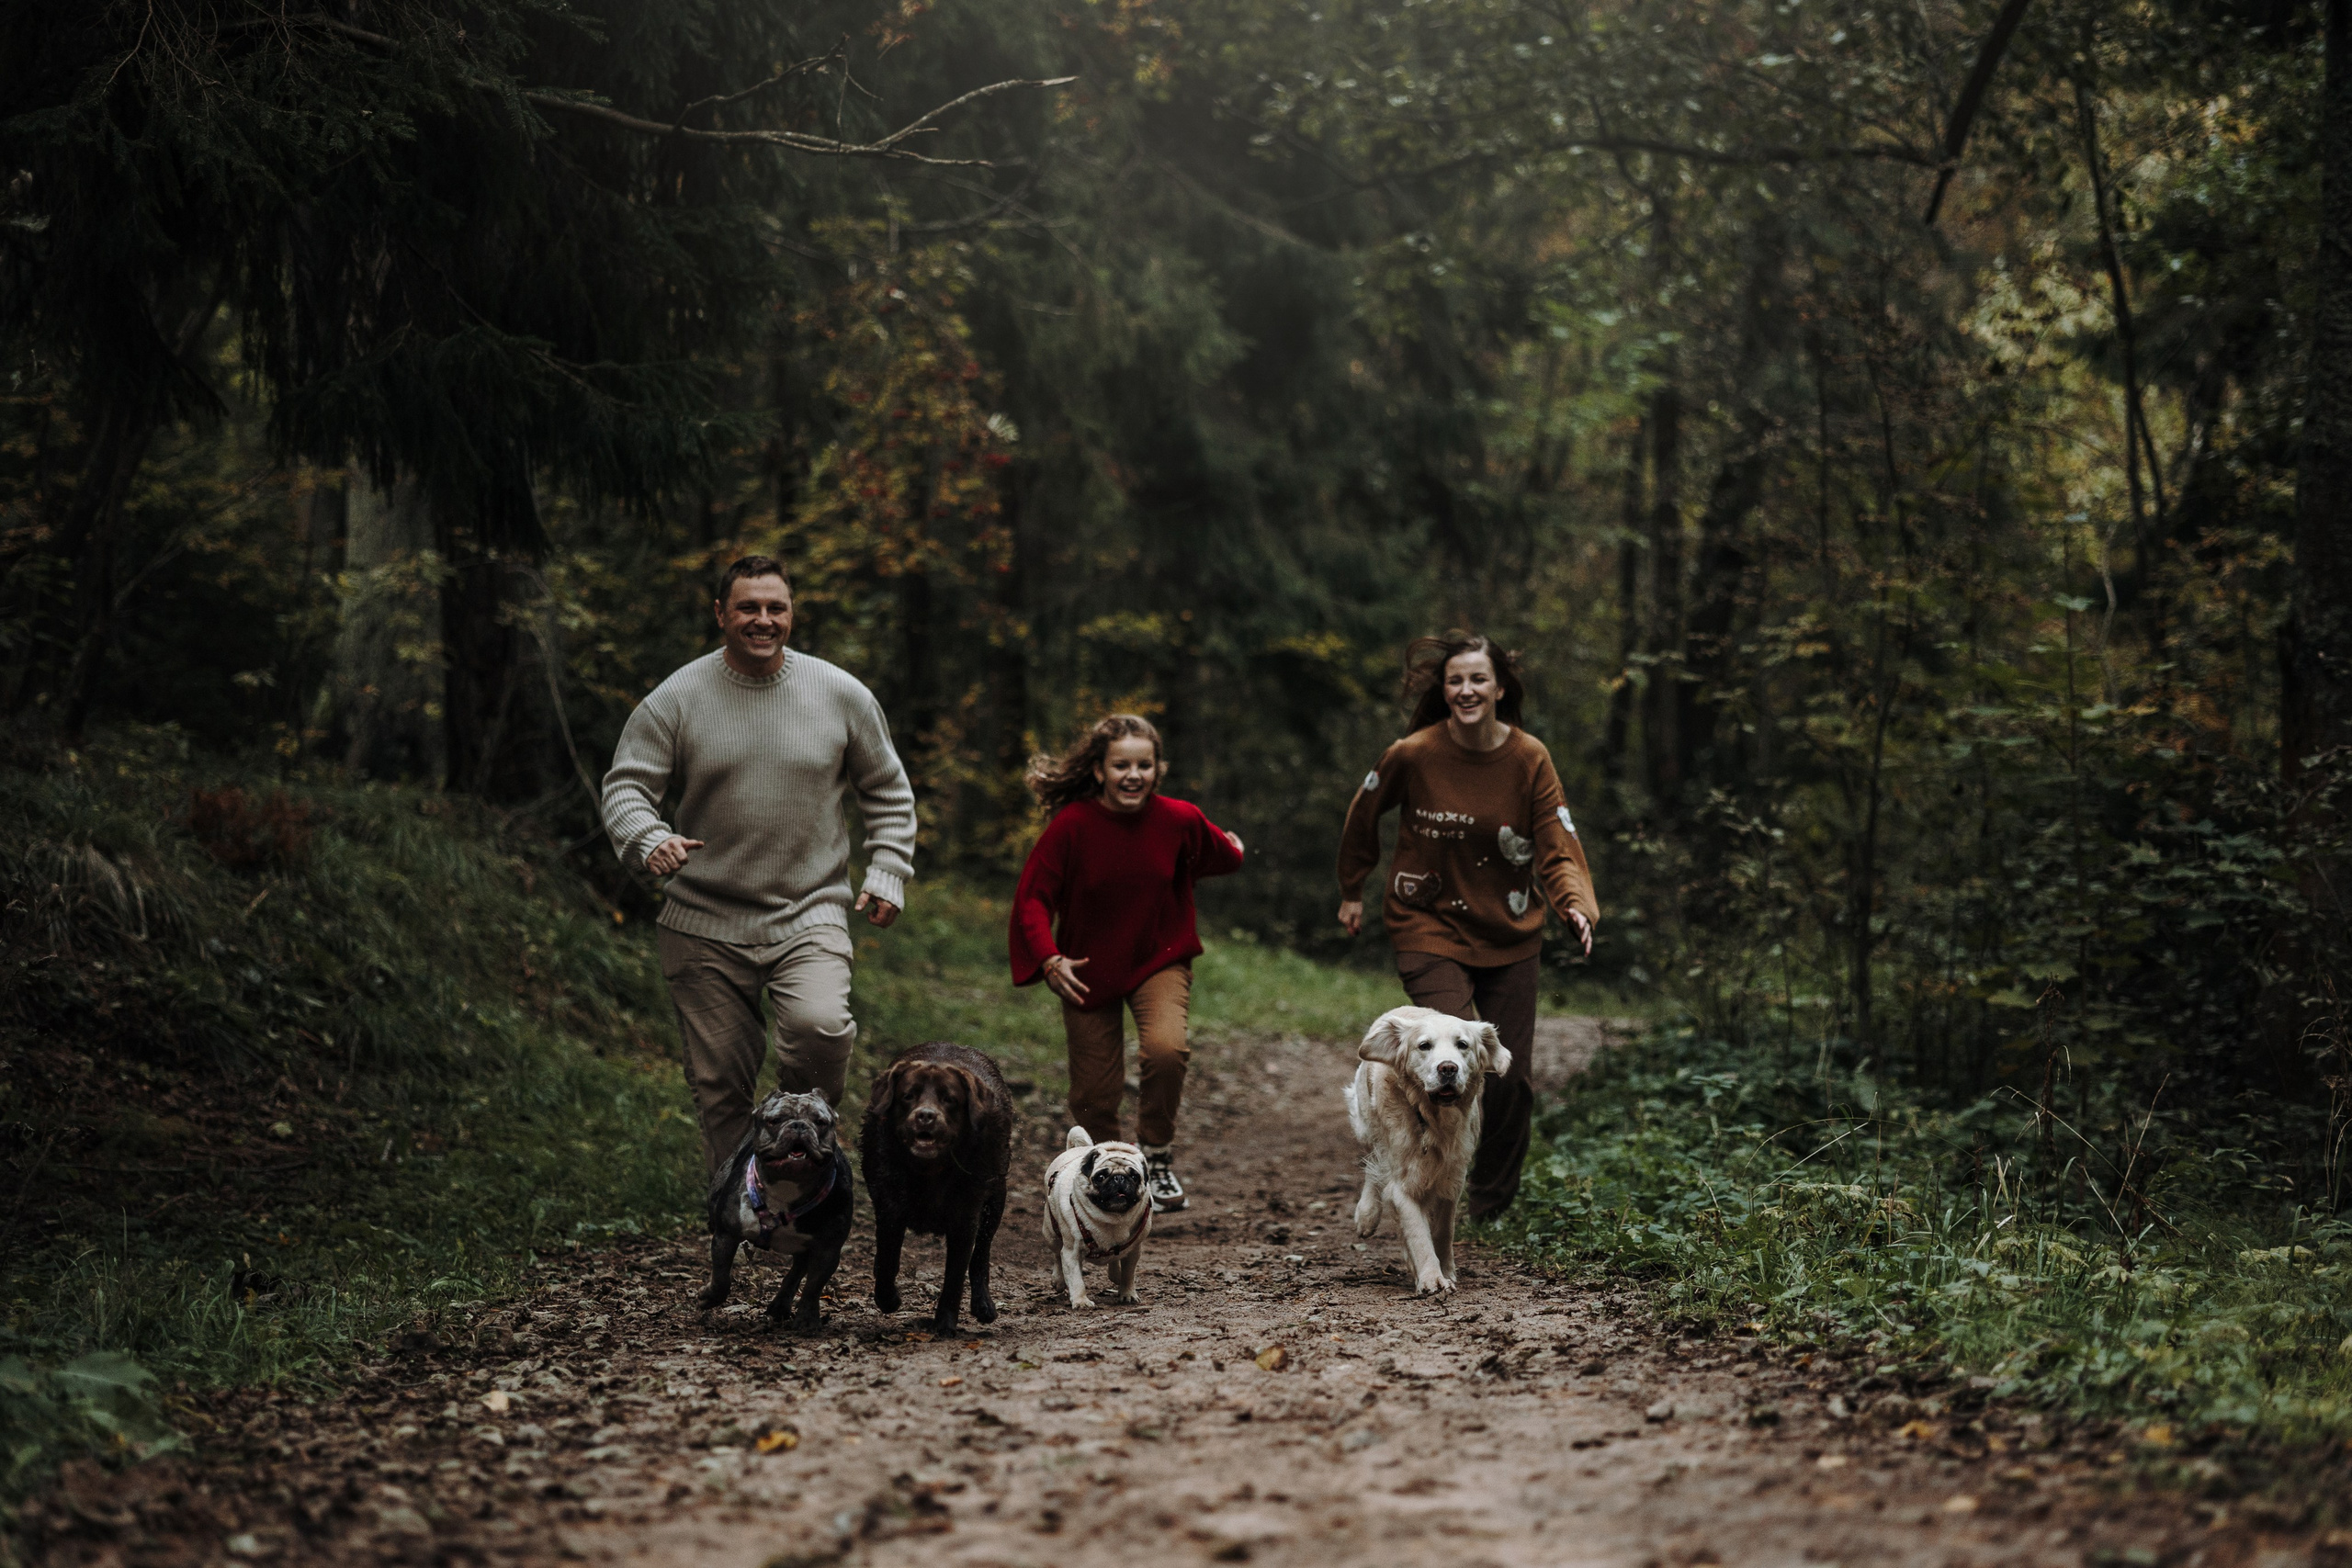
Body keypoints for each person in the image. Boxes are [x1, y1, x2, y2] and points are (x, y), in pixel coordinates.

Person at [602, 555, 917, 1181]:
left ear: (792, 612)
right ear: (721, 613)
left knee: (820, 1028)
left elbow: (887, 789)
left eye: (776, 607)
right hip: (703, 919)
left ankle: (803, 1164)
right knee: (719, 1081)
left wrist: (887, 869)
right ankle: (740, 1207)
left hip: (810, 910)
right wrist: (648, 836)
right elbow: (626, 787)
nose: (763, 620)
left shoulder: (840, 693)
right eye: (748, 607)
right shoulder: (679, 697)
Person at [1335, 633, 1599, 1218]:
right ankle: (1413, 1176)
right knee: (1452, 1052)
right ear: (1444, 689)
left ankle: (1488, 1206)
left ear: (1500, 688)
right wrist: (1352, 886)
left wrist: (1573, 900)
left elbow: (1556, 843)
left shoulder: (1529, 758)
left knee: (1508, 1078)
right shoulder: (1414, 752)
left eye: (1478, 679)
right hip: (1425, 924)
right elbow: (1364, 813)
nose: (1466, 689)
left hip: (1508, 932)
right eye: (1455, 680)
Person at [1008, 715, 1245, 1213]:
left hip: (1159, 957)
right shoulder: (1072, 826)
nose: (1133, 774)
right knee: (1094, 1091)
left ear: (1159, 769)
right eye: (1121, 765)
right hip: (1087, 967)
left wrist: (1233, 848)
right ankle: (1105, 1170)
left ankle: (1155, 1157)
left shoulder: (1178, 818)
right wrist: (1049, 958)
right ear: (1099, 770)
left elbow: (1223, 856)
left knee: (1165, 1049)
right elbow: (1033, 899)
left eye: (1144, 764)